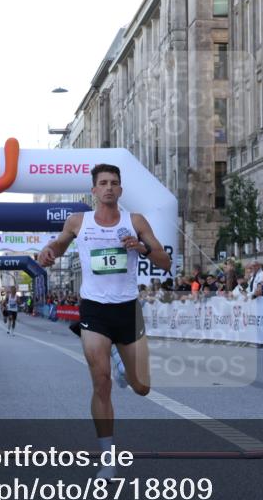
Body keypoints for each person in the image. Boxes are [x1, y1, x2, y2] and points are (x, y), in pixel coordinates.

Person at [38, 163, 171, 480]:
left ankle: (122, 361)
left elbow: (165, 262)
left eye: (114, 182)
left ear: (120, 189)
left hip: (127, 310)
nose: (109, 187)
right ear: (94, 190)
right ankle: (108, 459)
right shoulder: (78, 221)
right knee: (101, 383)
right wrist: (49, 250)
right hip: (94, 310)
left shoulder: (134, 221)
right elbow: (60, 244)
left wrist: (141, 247)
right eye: (103, 183)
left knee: (142, 387)